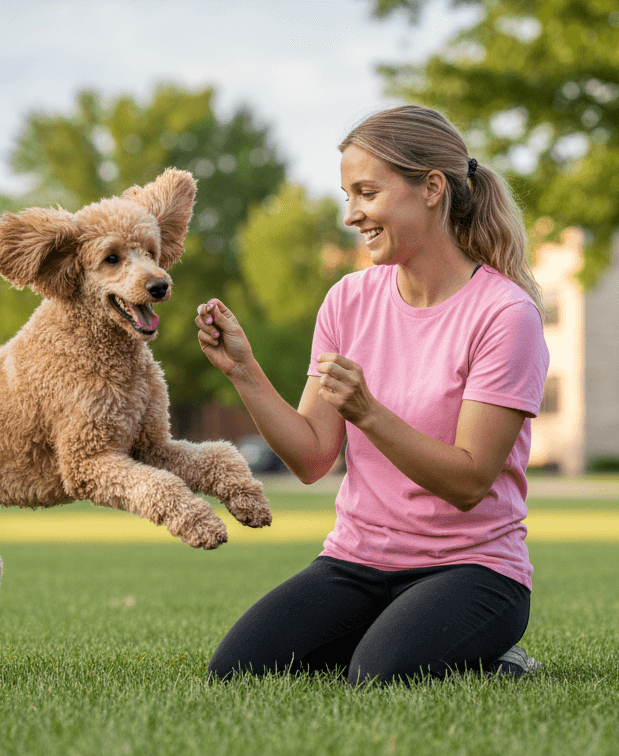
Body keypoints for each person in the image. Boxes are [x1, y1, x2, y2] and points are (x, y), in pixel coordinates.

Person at [197, 105, 549, 685]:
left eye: (367, 193)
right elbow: (312, 457)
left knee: (378, 676)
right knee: (238, 671)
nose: (353, 215)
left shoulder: (505, 314)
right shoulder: (348, 300)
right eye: (347, 196)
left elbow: (469, 482)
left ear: (431, 188)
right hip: (356, 560)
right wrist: (245, 372)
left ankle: (494, 660)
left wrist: (369, 412)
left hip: (473, 569)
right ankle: (391, 631)